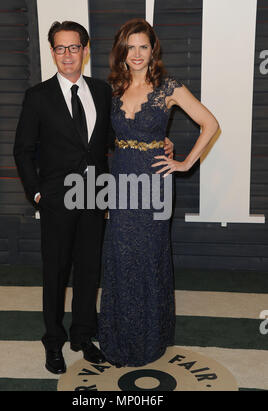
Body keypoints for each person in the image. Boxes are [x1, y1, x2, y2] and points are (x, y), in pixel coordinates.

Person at [98, 18, 219, 367]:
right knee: (120, 256)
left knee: (150, 257)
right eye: (130, 47)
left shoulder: (169, 88)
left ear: (153, 51)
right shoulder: (113, 88)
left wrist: (184, 163)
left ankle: (150, 336)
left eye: (143, 47)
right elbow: (105, 138)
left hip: (154, 184)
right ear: (123, 51)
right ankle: (119, 334)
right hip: (121, 182)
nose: (136, 54)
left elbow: (210, 124)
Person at [14, 21, 112, 375]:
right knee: (55, 274)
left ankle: (84, 336)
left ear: (86, 50)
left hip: (94, 196)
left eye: (74, 47)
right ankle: (53, 342)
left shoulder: (102, 91)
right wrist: (38, 193)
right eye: (60, 48)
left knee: (89, 271)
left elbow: (112, 140)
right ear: (52, 52)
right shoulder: (37, 96)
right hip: (57, 200)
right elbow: (23, 150)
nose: (67, 55)